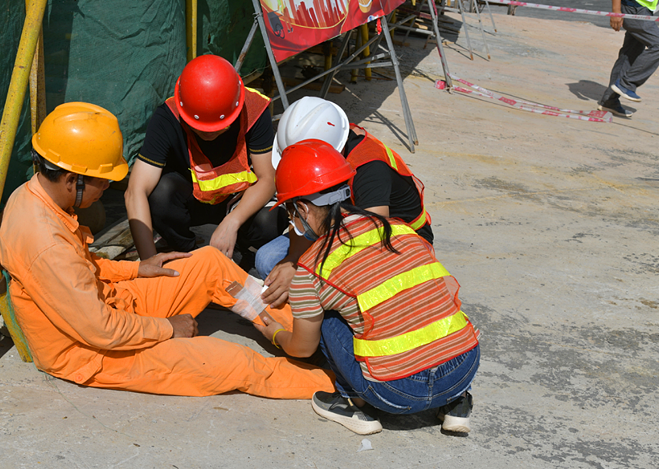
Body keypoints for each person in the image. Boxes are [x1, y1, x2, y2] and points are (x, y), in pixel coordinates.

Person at [0, 102, 334, 399]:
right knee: (234, 364)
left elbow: (81, 266)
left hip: (111, 304)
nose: (107, 188)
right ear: (73, 180)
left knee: (210, 263)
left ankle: (305, 336)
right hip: (94, 351)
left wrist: (135, 269)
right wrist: (169, 328)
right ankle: (339, 384)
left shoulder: (34, 196)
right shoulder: (45, 243)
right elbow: (100, 329)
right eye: (103, 181)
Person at [254, 140, 480, 435]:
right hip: (463, 370)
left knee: (328, 317)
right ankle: (456, 403)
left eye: (290, 213)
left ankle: (351, 400)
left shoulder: (312, 268)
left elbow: (303, 348)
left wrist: (276, 335)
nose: (291, 221)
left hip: (395, 394)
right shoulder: (399, 229)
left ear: (303, 209)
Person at [255, 97, 432, 309]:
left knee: (336, 286)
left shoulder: (370, 169)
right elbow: (300, 212)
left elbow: (370, 249)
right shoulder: (329, 144)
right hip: (337, 227)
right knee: (268, 260)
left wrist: (306, 270)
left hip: (393, 244)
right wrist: (294, 260)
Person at [125, 55, 287, 269]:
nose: (209, 134)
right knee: (160, 194)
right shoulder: (167, 118)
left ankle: (238, 249)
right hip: (192, 203)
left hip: (236, 200)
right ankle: (186, 251)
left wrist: (232, 222)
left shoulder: (253, 109)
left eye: (219, 127)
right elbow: (135, 191)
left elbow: (268, 178)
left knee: (271, 222)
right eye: (199, 128)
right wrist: (148, 262)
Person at [597, 0, 659, 118]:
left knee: (630, 53)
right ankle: (627, 84)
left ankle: (609, 100)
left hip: (642, 9)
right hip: (634, 9)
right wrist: (616, 11)